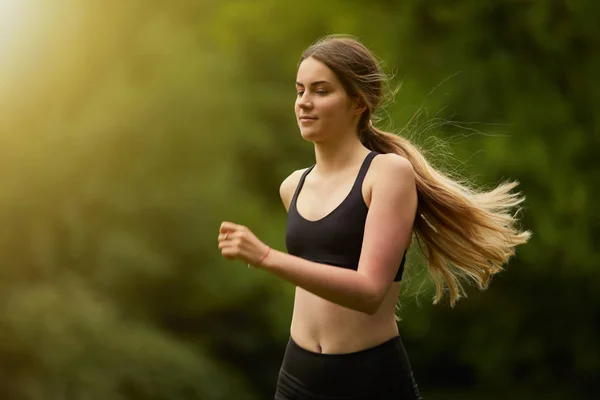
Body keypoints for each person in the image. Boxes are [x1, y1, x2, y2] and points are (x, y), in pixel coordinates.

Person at [217, 35, 530, 400]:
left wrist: (267, 257)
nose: (304, 102)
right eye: (300, 90)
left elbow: (369, 292)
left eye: (321, 91)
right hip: (297, 378)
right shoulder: (293, 187)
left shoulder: (387, 174)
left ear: (358, 103)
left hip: (369, 380)